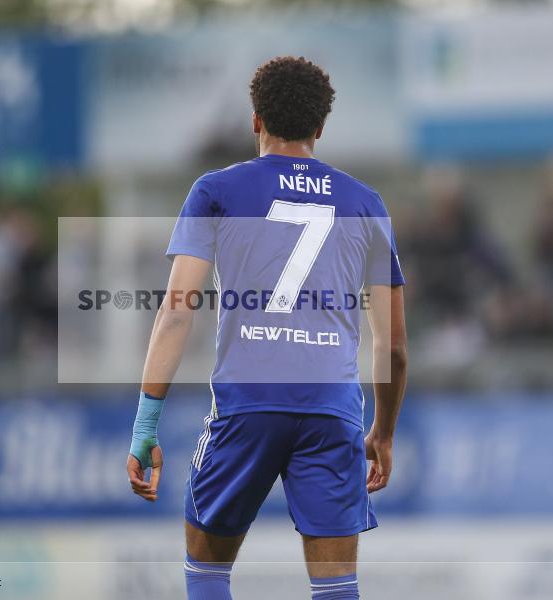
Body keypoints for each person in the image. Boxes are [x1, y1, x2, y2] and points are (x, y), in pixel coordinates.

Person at [126, 56, 407, 600]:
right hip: (332, 408)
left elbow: (177, 311)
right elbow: (392, 344)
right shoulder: (365, 203)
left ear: (255, 119)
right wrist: (384, 431)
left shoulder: (216, 190)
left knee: (207, 571)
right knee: (336, 587)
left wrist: (145, 428)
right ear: (320, 128)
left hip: (248, 403)